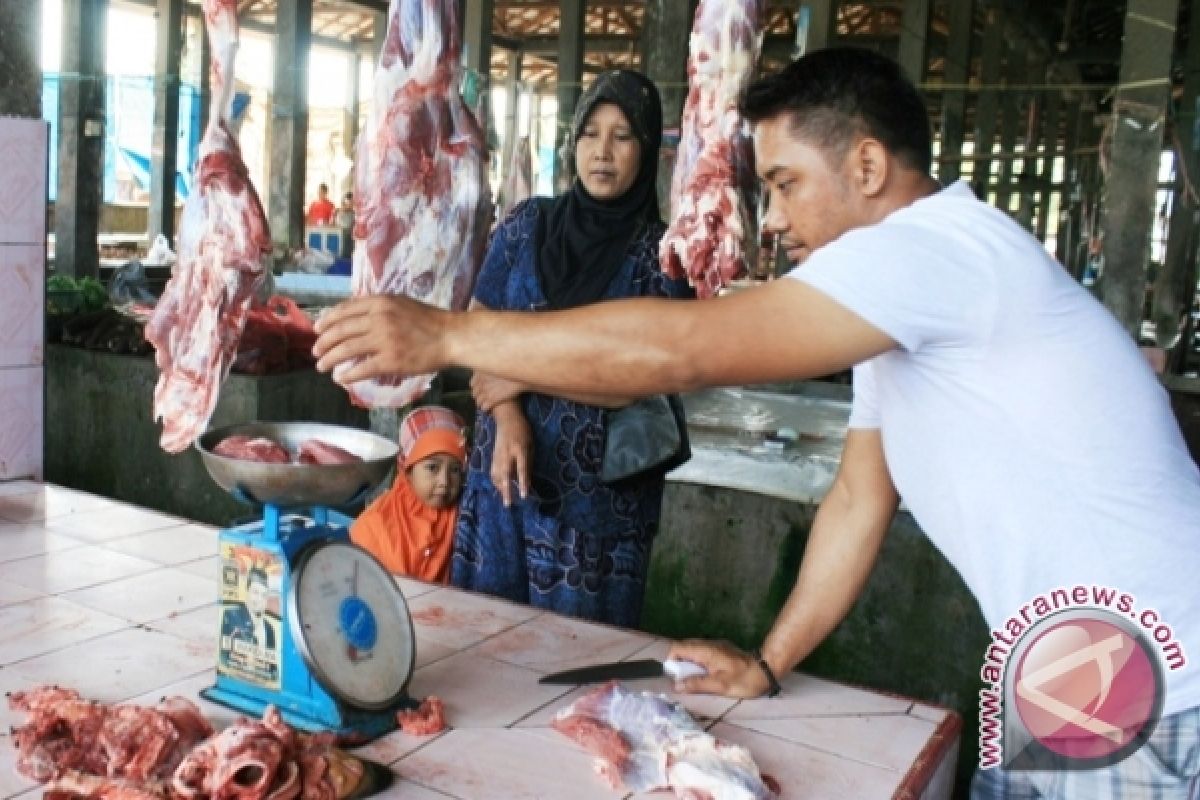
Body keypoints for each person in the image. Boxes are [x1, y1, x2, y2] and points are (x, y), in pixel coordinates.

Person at [313, 47, 1200, 797]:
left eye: (782, 184)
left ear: (864, 167)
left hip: (1149, 677)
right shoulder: (911, 304)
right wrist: (770, 662)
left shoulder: (934, 250)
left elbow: (683, 352)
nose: (770, 220)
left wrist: (446, 332)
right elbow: (858, 498)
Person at [454, 69, 692, 627]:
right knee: (482, 654)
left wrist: (523, 375)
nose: (602, 152)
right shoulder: (525, 224)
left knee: (574, 676)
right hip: (503, 490)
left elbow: (640, 377)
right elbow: (477, 331)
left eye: (623, 136)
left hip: (598, 519)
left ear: (649, 148)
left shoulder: (661, 256)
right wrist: (508, 409)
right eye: (590, 133)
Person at [351, 405, 467, 583]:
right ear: (407, 469)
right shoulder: (375, 525)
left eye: (455, 470)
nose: (444, 481)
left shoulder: (465, 516)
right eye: (432, 468)